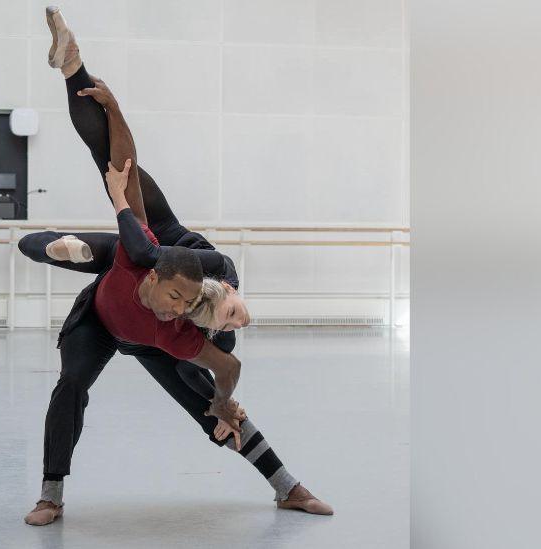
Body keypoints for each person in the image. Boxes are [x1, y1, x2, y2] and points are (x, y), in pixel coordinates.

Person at [21, 6, 334, 526]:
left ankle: (287, 486)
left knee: (211, 407)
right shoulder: (168, 256)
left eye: (196, 311)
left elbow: (227, 366)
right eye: (232, 312)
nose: (184, 312)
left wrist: (224, 402)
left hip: (147, 288)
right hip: (123, 285)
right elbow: (120, 164)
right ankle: (50, 493)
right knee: (72, 372)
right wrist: (104, 98)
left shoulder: (182, 333)